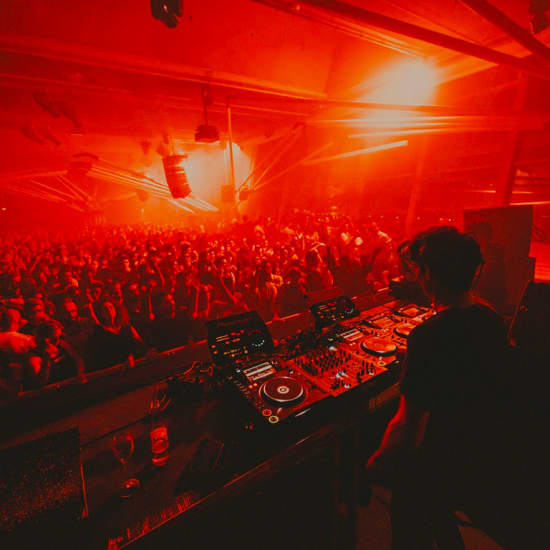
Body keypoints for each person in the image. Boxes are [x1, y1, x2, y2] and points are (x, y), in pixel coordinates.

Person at [365, 226, 508, 550]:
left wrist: (377, 462)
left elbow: (408, 429)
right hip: (474, 451)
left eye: (419, 271)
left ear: (428, 274)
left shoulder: (427, 338)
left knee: (409, 530)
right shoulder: (492, 319)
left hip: (433, 465)